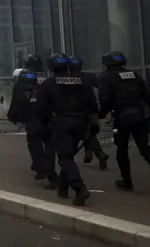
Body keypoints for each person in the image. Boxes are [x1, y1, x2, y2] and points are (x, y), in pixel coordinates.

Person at [98, 51, 150, 191]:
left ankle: (127, 181)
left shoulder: (107, 78)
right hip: (139, 116)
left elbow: (105, 100)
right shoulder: (134, 75)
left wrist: (101, 115)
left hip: (121, 117)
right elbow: (146, 95)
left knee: (121, 149)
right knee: (144, 147)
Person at [36, 53, 97, 205]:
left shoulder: (47, 84)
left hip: (61, 123)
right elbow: (91, 102)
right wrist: (93, 120)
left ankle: (79, 187)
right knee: (68, 155)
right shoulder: (79, 81)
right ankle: (63, 189)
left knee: (65, 157)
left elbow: (41, 109)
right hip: (80, 123)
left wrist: (46, 123)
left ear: (50, 67)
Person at [8, 69, 58, 187]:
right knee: (49, 147)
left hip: (33, 123)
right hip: (47, 121)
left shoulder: (20, 89)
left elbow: (16, 104)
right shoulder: (43, 86)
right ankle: (43, 169)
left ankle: (51, 174)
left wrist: (12, 117)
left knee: (36, 149)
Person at [68, 55, 109, 170]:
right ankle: (88, 154)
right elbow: (102, 86)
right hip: (91, 109)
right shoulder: (88, 77)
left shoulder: (65, 78)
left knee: (82, 134)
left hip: (76, 110)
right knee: (88, 132)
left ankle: (100, 154)